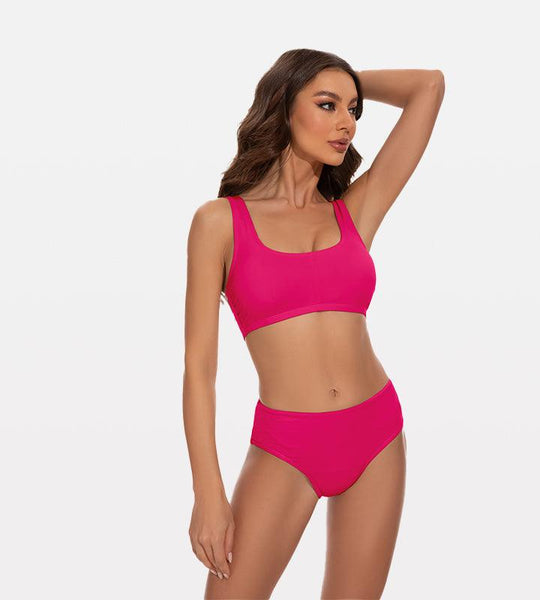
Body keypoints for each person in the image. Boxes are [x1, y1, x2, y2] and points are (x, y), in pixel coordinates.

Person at [183, 49, 444, 599]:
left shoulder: (354, 210)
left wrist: (344, 83)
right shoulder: (219, 223)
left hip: (376, 435)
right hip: (286, 445)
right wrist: (208, 491)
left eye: (353, 109)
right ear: (283, 106)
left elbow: (429, 86)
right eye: (327, 106)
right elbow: (199, 368)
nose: (347, 122)